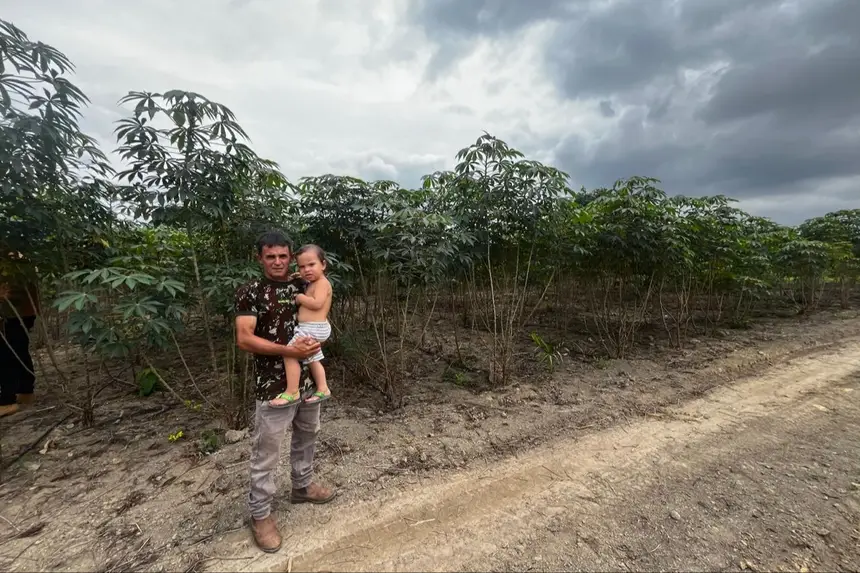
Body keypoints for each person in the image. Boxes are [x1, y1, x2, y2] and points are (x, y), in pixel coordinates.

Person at [234, 231, 336, 554]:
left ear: (291, 257)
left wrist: (318, 340)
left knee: (307, 435)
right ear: (259, 258)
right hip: (273, 384)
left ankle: (302, 486)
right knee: (267, 450)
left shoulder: (301, 284)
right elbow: (244, 338)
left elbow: (318, 311)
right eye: (270, 256)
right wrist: (288, 351)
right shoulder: (250, 292)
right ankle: (261, 513)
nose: (277, 262)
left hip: (307, 379)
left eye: (282, 256)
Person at [269, 244, 333, 407]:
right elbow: (309, 281)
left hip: (313, 328)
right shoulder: (314, 281)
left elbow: (317, 303)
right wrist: (301, 277)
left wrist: (300, 298)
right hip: (313, 327)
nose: (307, 270)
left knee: (290, 354)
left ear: (323, 264)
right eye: (302, 267)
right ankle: (323, 388)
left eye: (311, 265)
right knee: (312, 358)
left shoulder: (322, 283)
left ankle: (292, 391)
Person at [0, 277, 39, 418]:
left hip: (12, 310)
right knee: (18, 349)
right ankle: (25, 391)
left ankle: (7, 401)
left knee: (6, 353)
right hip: (22, 309)